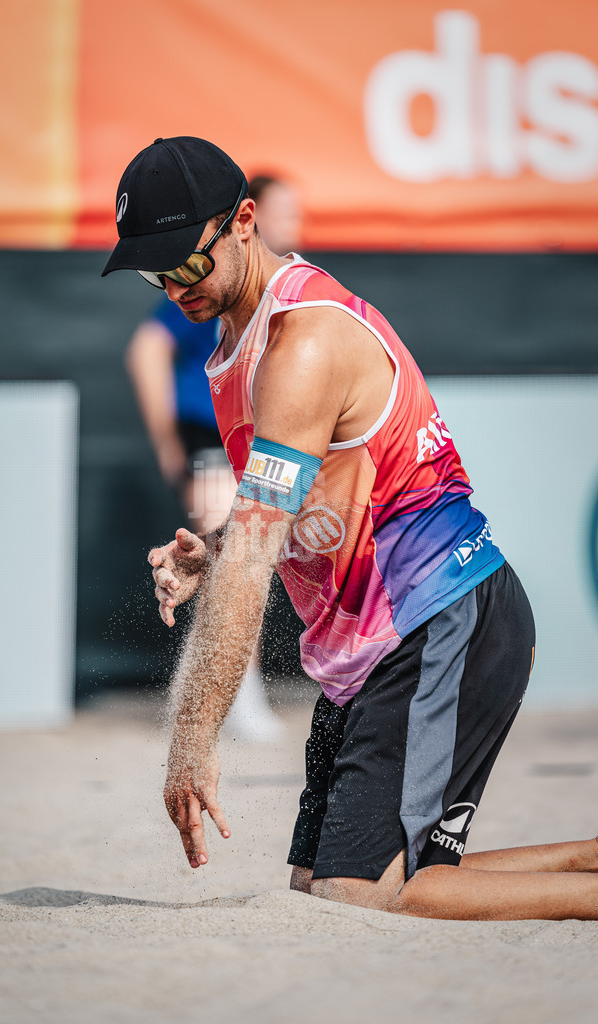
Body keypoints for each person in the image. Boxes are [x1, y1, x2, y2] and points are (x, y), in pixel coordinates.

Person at [102, 136, 598, 920]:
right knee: (322, 888)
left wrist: (192, 740)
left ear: (243, 222)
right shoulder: (236, 339)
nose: (174, 286)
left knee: (356, 894)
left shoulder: (302, 343)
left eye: (187, 264)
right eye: (154, 271)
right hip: (372, 646)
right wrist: (216, 552)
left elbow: (257, 564)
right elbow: (283, 513)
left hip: (440, 620)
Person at [124, 173, 301, 741]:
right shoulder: (205, 277)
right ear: (249, 220)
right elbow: (146, 349)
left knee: (245, 559)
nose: (297, 223)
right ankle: (231, 699)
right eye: (287, 211)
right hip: (210, 441)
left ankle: (215, 692)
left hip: (261, 444)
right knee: (233, 563)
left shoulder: (287, 294)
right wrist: (169, 443)